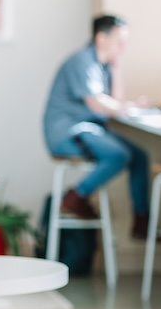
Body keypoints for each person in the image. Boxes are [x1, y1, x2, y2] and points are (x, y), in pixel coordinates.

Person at [42, 14, 150, 240]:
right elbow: (96, 102)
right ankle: (75, 197)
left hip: (88, 129)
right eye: (120, 42)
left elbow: (116, 101)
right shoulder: (82, 61)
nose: (123, 48)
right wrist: (130, 109)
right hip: (68, 131)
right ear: (101, 38)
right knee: (119, 155)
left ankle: (142, 222)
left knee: (139, 156)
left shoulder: (104, 66)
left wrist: (117, 68)